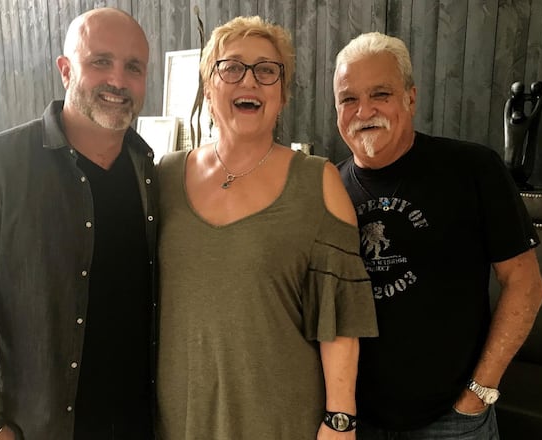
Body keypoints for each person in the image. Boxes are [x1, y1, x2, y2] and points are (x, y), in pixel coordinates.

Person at [0, 8, 157, 440]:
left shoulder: (148, 170)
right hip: (38, 423)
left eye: (134, 67)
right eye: (100, 61)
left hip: (137, 418)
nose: (118, 80)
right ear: (65, 69)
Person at [156, 16, 378, 440]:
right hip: (180, 416)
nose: (250, 81)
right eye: (232, 67)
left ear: (282, 96)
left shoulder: (318, 181)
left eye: (267, 71)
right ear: (208, 86)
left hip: (281, 417)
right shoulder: (164, 176)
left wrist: (340, 420)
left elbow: (341, 318)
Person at [332, 32, 542, 439]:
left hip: (452, 421)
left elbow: (526, 284)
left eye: (381, 94)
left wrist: (479, 393)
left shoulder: (472, 169)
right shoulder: (328, 187)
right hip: (355, 419)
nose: (364, 110)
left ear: (410, 98)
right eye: (348, 99)